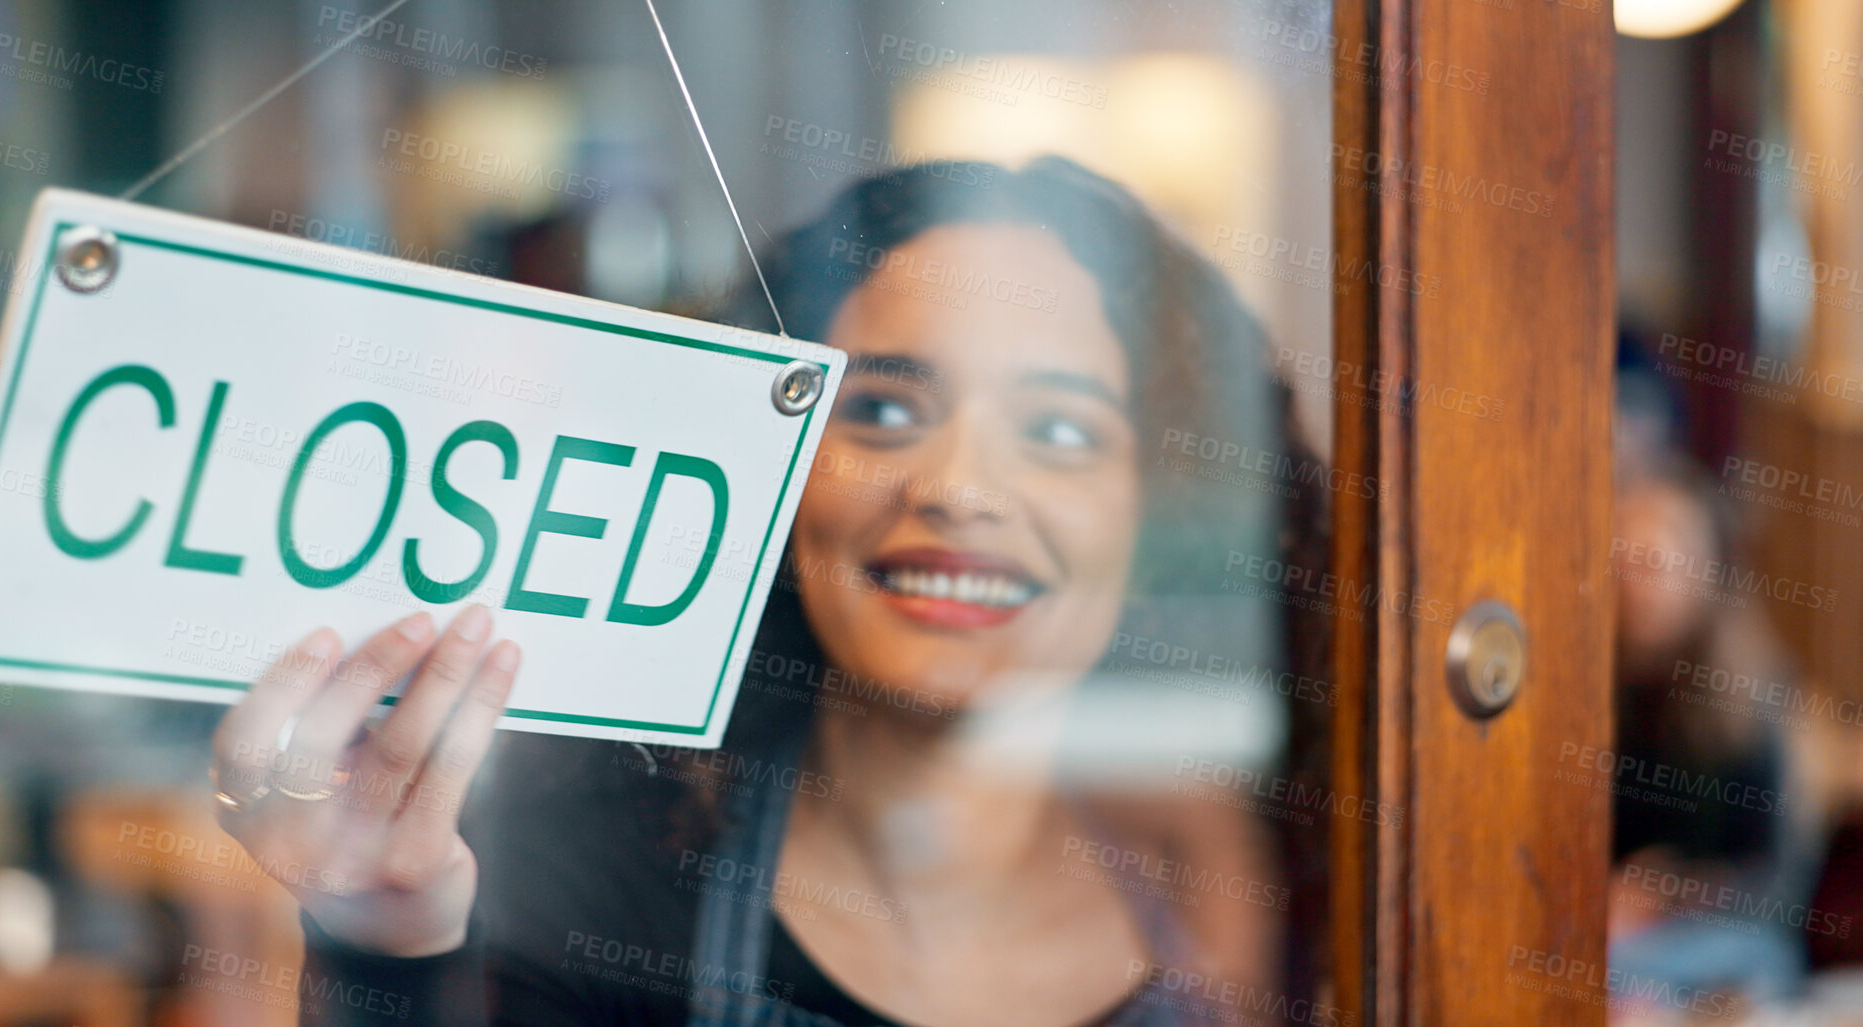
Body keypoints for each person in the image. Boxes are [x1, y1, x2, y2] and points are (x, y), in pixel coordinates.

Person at [208, 157, 1330, 1026]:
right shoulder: (582, 871)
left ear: (1159, 504)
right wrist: (388, 944)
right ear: (769, 474)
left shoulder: (1273, 885)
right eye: (885, 410)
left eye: (1060, 430)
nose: (961, 490)